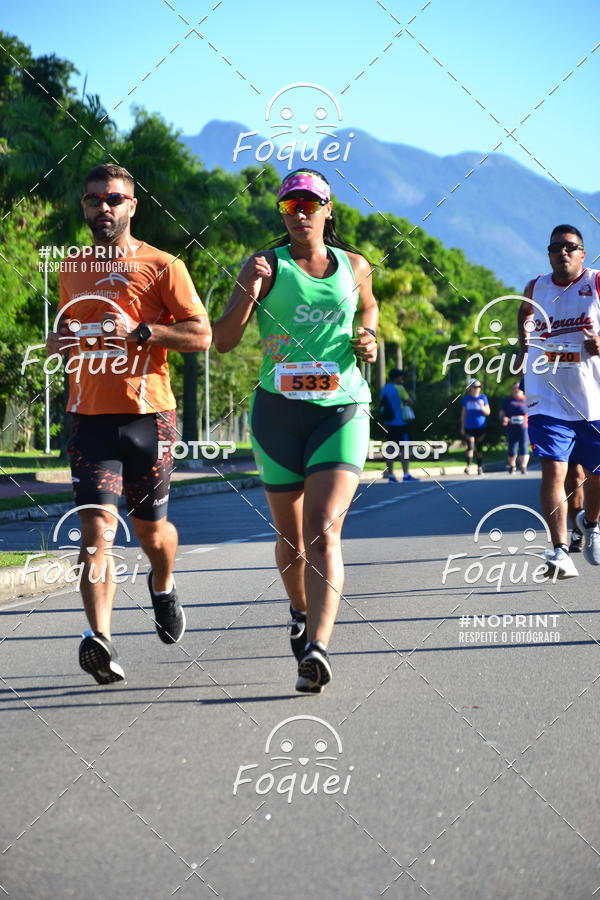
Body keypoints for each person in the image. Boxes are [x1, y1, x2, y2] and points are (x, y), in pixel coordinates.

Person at [213, 168, 378, 693]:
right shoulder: (264, 265)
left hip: (340, 409)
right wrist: (249, 291)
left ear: (329, 210)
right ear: (282, 214)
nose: (301, 212)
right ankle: (299, 609)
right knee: (290, 537)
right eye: (291, 206)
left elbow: (369, 306)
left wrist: (368, 333)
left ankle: (317, 649)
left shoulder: (355, 265)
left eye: (311, 204)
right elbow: (223, 341)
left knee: (324, 528)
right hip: (278, 413)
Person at [46, 163, 211, 683]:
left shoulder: (164, 266)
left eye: (114, 199)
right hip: (89, 418)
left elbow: (201, 335)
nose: (104, 208)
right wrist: (62, 341)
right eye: (94, 200)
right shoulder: (71, 267)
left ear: (132, 206)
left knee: (152, 532)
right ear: (84, 207)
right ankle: (100, 638)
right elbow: (61, 334)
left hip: (149, 418)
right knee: (96, 530)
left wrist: (141, 331)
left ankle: (162, 586)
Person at [518, 224, 600, 578]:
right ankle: (559, 549)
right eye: (555, 248)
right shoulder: (536, 287)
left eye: (570, 247)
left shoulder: (596, 283)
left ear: (583, 253)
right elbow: (523, 315)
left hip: (592, 399)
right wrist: (523, 337)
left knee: (595, 477)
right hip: (547, 397)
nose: (562, 252)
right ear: (549, 254)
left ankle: (591, 522)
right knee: (555, 469)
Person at [378, 368, 418, 482]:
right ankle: (406, 474)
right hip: (400, 422)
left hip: (388, 422)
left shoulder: (385, 388)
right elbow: (409, 401)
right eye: (401, 377)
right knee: (404, 448)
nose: (402, 379)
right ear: (397, 377)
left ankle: (390, 475)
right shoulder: (399, 388)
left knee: (390, 448)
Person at [460, 381, 490, 474]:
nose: (477, 388)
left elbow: (488, 412)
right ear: (470, 388)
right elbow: (463, 414)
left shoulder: (483, 398)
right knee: (470, 446)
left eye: (479, 386)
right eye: (475, 386)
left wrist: (481, 406)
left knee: (479, 447)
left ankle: (479, 467)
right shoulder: (466, 399)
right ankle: (468, 466)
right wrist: (462, 427)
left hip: (481, 427)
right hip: (469, 426)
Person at [499, 382, 529, 473]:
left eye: (518, 388)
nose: (516, 390)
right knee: (512, 447)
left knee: (523, 446)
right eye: (514, 388)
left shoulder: (527, 400)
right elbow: (502, 414)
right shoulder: (508, 400)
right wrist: (503, 418)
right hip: (511, 427)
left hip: (524, 427)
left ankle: (523, 466)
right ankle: (512, 466)